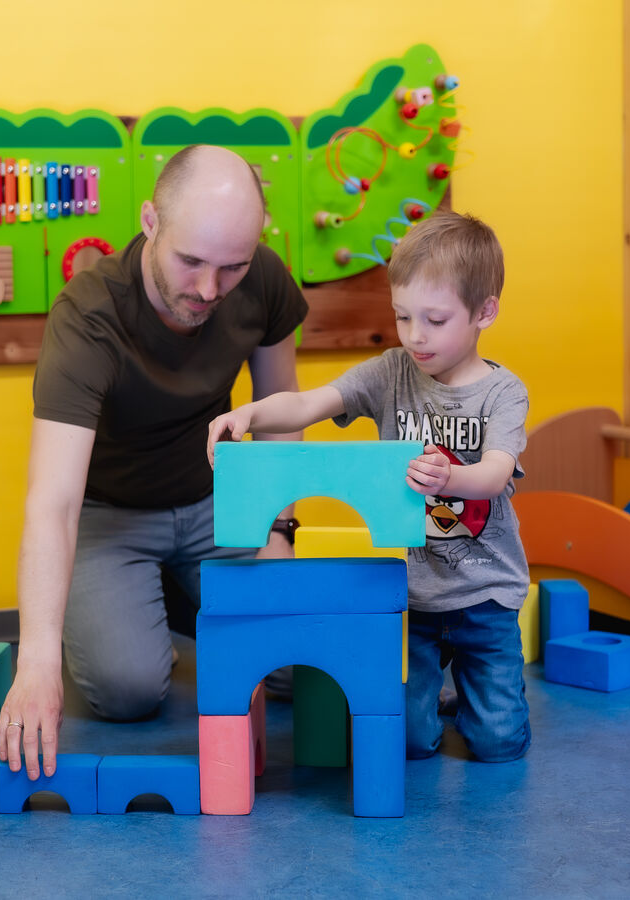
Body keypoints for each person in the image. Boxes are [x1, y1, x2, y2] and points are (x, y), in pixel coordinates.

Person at [0, 145, 308, 780]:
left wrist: (279, 529)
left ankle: (184, 596)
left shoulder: (265, 281)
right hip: (111, 519)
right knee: (127, 692)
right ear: (149, 222)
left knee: (292, 665)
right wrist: (36, 664)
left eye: (232, 268)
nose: (207, 289)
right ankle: (152, 600)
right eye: (190, 261)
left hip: (215, 502)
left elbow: (281, 415)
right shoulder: (89, 317)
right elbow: (52, 501)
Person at [206, 210, 530, 762]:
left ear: (485, 312)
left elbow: (496, 473)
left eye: (434, 319)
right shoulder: (390, 373)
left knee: (498, 745)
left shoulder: (503, 393)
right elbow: (309, 402)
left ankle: (474, 697)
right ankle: (435, 699)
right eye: (403, 317)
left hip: (486, 594)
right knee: (407, 743)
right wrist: (252, 412)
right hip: (412, 598)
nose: (415, 335)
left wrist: (451, 477)